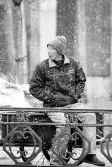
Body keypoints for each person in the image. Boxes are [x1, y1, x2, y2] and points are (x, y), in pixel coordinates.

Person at [29, 36, 105, 166]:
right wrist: (52, 97)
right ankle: (56, 162)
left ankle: (89, 154)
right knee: (64, 125)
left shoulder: (74, 64)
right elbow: (34, 88)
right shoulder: (42, 67)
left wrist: (75, 94)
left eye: (51, 48)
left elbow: (81, 81)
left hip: (72, 103)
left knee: (90, 116)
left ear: (59, 51)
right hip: (52, 107)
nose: (48, 51)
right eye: (48, 48)